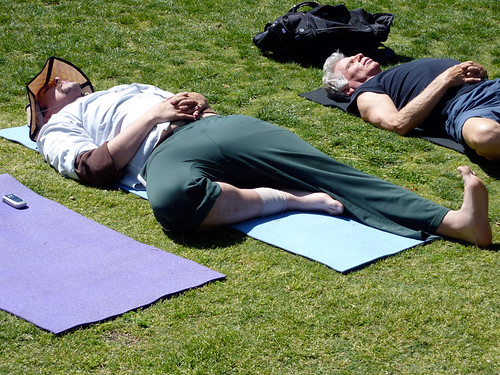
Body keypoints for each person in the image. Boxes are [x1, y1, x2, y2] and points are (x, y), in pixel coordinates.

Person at [27, 57, 492, 247]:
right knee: (174, 204)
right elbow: (93, 169)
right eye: (47, 87)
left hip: (220, 128)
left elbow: (184, 101)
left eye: (61, 77)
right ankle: (288, 197)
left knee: (332, 170)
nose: (58, 81)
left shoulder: (127, 87)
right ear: (43, 111)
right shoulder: (58, 128)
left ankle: (453, 221)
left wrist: (193, 103)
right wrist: (153, 117)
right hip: (165, 153)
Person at [322, 52, 500, 161]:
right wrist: (445, 80)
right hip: (468, 108)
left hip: (492, 87)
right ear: (347, 89)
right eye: (351, 63)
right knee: (487, 136)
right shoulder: (366, 94)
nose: (359, 55)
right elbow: (397, 123)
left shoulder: (395, 74)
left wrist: (478, 70)